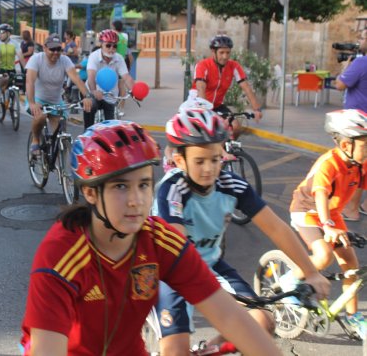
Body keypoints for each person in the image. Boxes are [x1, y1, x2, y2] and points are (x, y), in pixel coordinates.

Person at [20, 120, 285, 356]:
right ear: (90, 193)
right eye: (121, 186)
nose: (137, 201)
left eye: (144, 184)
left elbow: (229, 316)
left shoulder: (159, 240)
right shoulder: (60, 255)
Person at [152, 108, 330, 355]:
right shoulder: (172, 190)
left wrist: (310, 272)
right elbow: (177, 247)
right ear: (180, 160)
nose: (208, 169)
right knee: (175, 350)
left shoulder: (232, 185)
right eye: (199, 161)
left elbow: (277, 229)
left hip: (210, 264)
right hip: (173, 271)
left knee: (262, 321)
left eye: (215, 159)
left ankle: (206, 350)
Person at [287, 109, 367, 339]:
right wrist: (329, 226)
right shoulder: (328, 163)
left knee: (351, 266)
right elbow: (320, 195)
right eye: (365, 145)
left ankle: (353, 316)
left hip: (332, 214)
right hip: (307, 211)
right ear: (345, 146)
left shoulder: (360, 164)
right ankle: (290, 279)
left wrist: (332, 222)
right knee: (323, 255)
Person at [26, 34, 91, 156]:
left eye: (58, 49)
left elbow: (76, 78)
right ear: (45, 48)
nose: (56, 52)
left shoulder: (65, 60)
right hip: (38, 99)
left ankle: (60, 169)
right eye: (52, 49)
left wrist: (86, 96)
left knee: (59, 132)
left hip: (56, 101)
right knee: (40, 116)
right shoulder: (36, 59)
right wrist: (32, 103)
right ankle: (35, 140)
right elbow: (30, 82)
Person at [193, 35, 263, 136]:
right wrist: (205, 111)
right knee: (207, 132)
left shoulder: (234, 66)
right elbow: (201, 88)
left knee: (236, 128)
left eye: (228, 53)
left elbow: (246, 87)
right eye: (221, 53)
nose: (225, 56)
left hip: (217, 105)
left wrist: (256, 109)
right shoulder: (203, 65)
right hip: (198, 105)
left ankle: (228, 148)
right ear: (213, 52)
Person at [335, 28, 367, 221]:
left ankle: (351, 209)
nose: (359, 40)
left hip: (357, 121)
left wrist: (346, 67)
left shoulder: (361, 62)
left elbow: (340, 84)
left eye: (363, 37)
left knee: (353, 165)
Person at [83, 29, 135, 130]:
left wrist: (135, 91)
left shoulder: (119, 58)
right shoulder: (94, 56)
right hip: (95, 93)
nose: (111, 49)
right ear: (101, 44)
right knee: (90, 107)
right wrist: (94, 91)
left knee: (111, 129)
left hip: (110, 96)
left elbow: (126, 77)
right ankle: (86, 135)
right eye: (108, 45)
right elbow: (91, 76)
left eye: (114, 46)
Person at [0, 23, 26, 102]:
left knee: (11, 85)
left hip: (11, 68)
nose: (0, 34)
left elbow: (20, 56)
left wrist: (25, 69)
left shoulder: (14, 44)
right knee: (4, 78)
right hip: (2, 68)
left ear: (8, 33)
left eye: (2, 32)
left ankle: (11, 102)